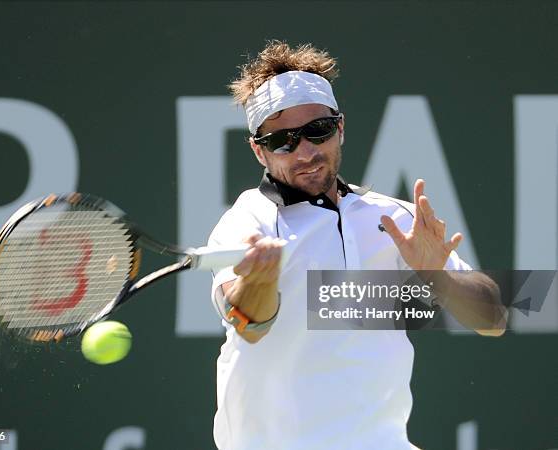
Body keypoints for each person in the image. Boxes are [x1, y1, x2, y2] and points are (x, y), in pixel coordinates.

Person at [207, 41, 506, 450]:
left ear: (340, 127)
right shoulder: (248, 220)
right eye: (283, 141)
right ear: (259, 151)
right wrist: (259, 281)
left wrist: (439, 279)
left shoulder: (395, 219)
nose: (307, 151)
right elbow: (249, 325)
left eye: (318, 131)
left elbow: (493, 319)